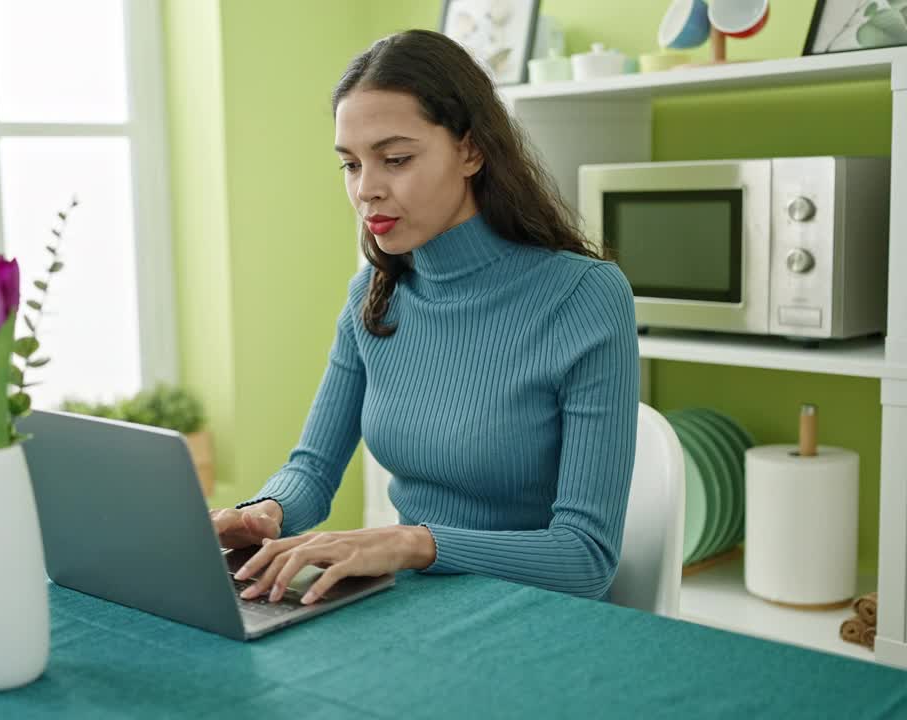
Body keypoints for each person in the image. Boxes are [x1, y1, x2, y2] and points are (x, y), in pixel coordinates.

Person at [209, 29, 639, 607]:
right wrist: (265, 512)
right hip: (407, 605)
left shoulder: (584, 296)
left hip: (533, 616)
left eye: (396, 159)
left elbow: (585, 558)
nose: (367, 190)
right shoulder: (374, 296)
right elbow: (312, 470)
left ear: (471, 149)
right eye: (350, 165)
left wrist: (415, 545)